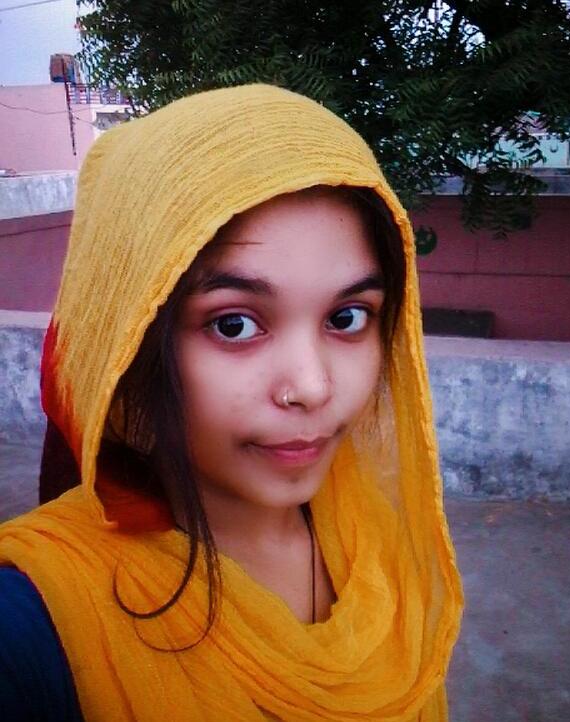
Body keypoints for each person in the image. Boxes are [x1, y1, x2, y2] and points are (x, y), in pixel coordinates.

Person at [0, 84, 463, 721]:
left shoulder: (374, 540)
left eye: (347, 317)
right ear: (128, 345)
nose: (312, 387)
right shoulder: (35, 624)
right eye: (234, 324)